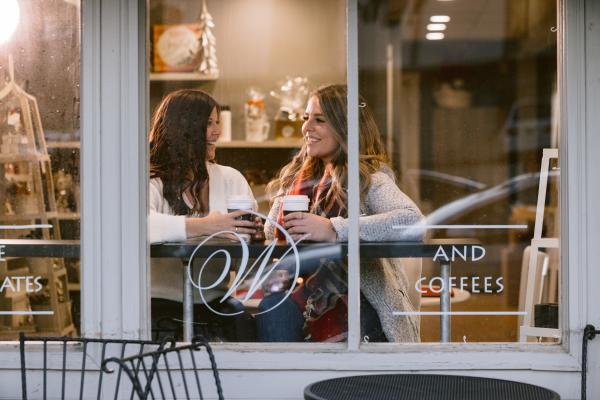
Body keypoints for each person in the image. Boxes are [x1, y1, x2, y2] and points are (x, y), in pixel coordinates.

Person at [257, 84, 424, 343]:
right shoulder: (300, 178)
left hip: (360, 298)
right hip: (299, 291)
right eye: (306, 118)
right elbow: (274, 232)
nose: (307, 128)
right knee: (273, 307)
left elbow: (412, 221)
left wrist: (333, 229)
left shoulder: (369, 179)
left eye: (319, 120)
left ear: (345, 128)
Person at [148, 89, 258, 341]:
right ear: (183, 128)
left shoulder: (231, 179)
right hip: (158, 304)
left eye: (217, 123)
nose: (217, 132)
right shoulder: (151, 180)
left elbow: (249, 261)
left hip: (215, 303)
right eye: (209, 124)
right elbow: (140, 225)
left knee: (246, 328)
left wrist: (254, 235)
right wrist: (207, 225)